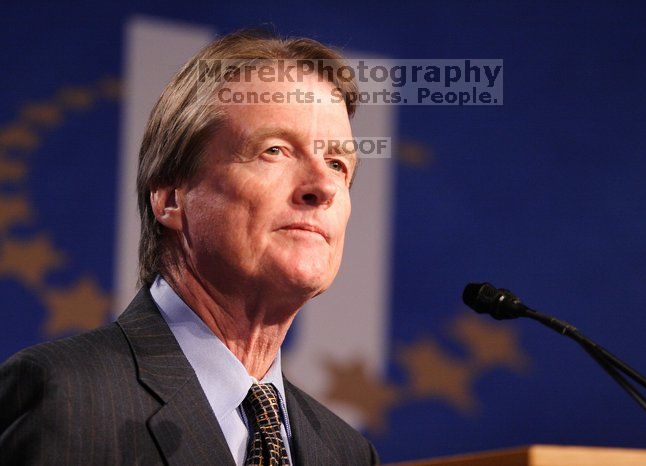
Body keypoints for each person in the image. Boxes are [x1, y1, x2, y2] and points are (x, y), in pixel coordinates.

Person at [0, 29, 379, 465]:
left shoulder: (348, 453)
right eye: (274, 151)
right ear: (171, 197)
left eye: (337, 163)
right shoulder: (65, 397)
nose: (323, 187)